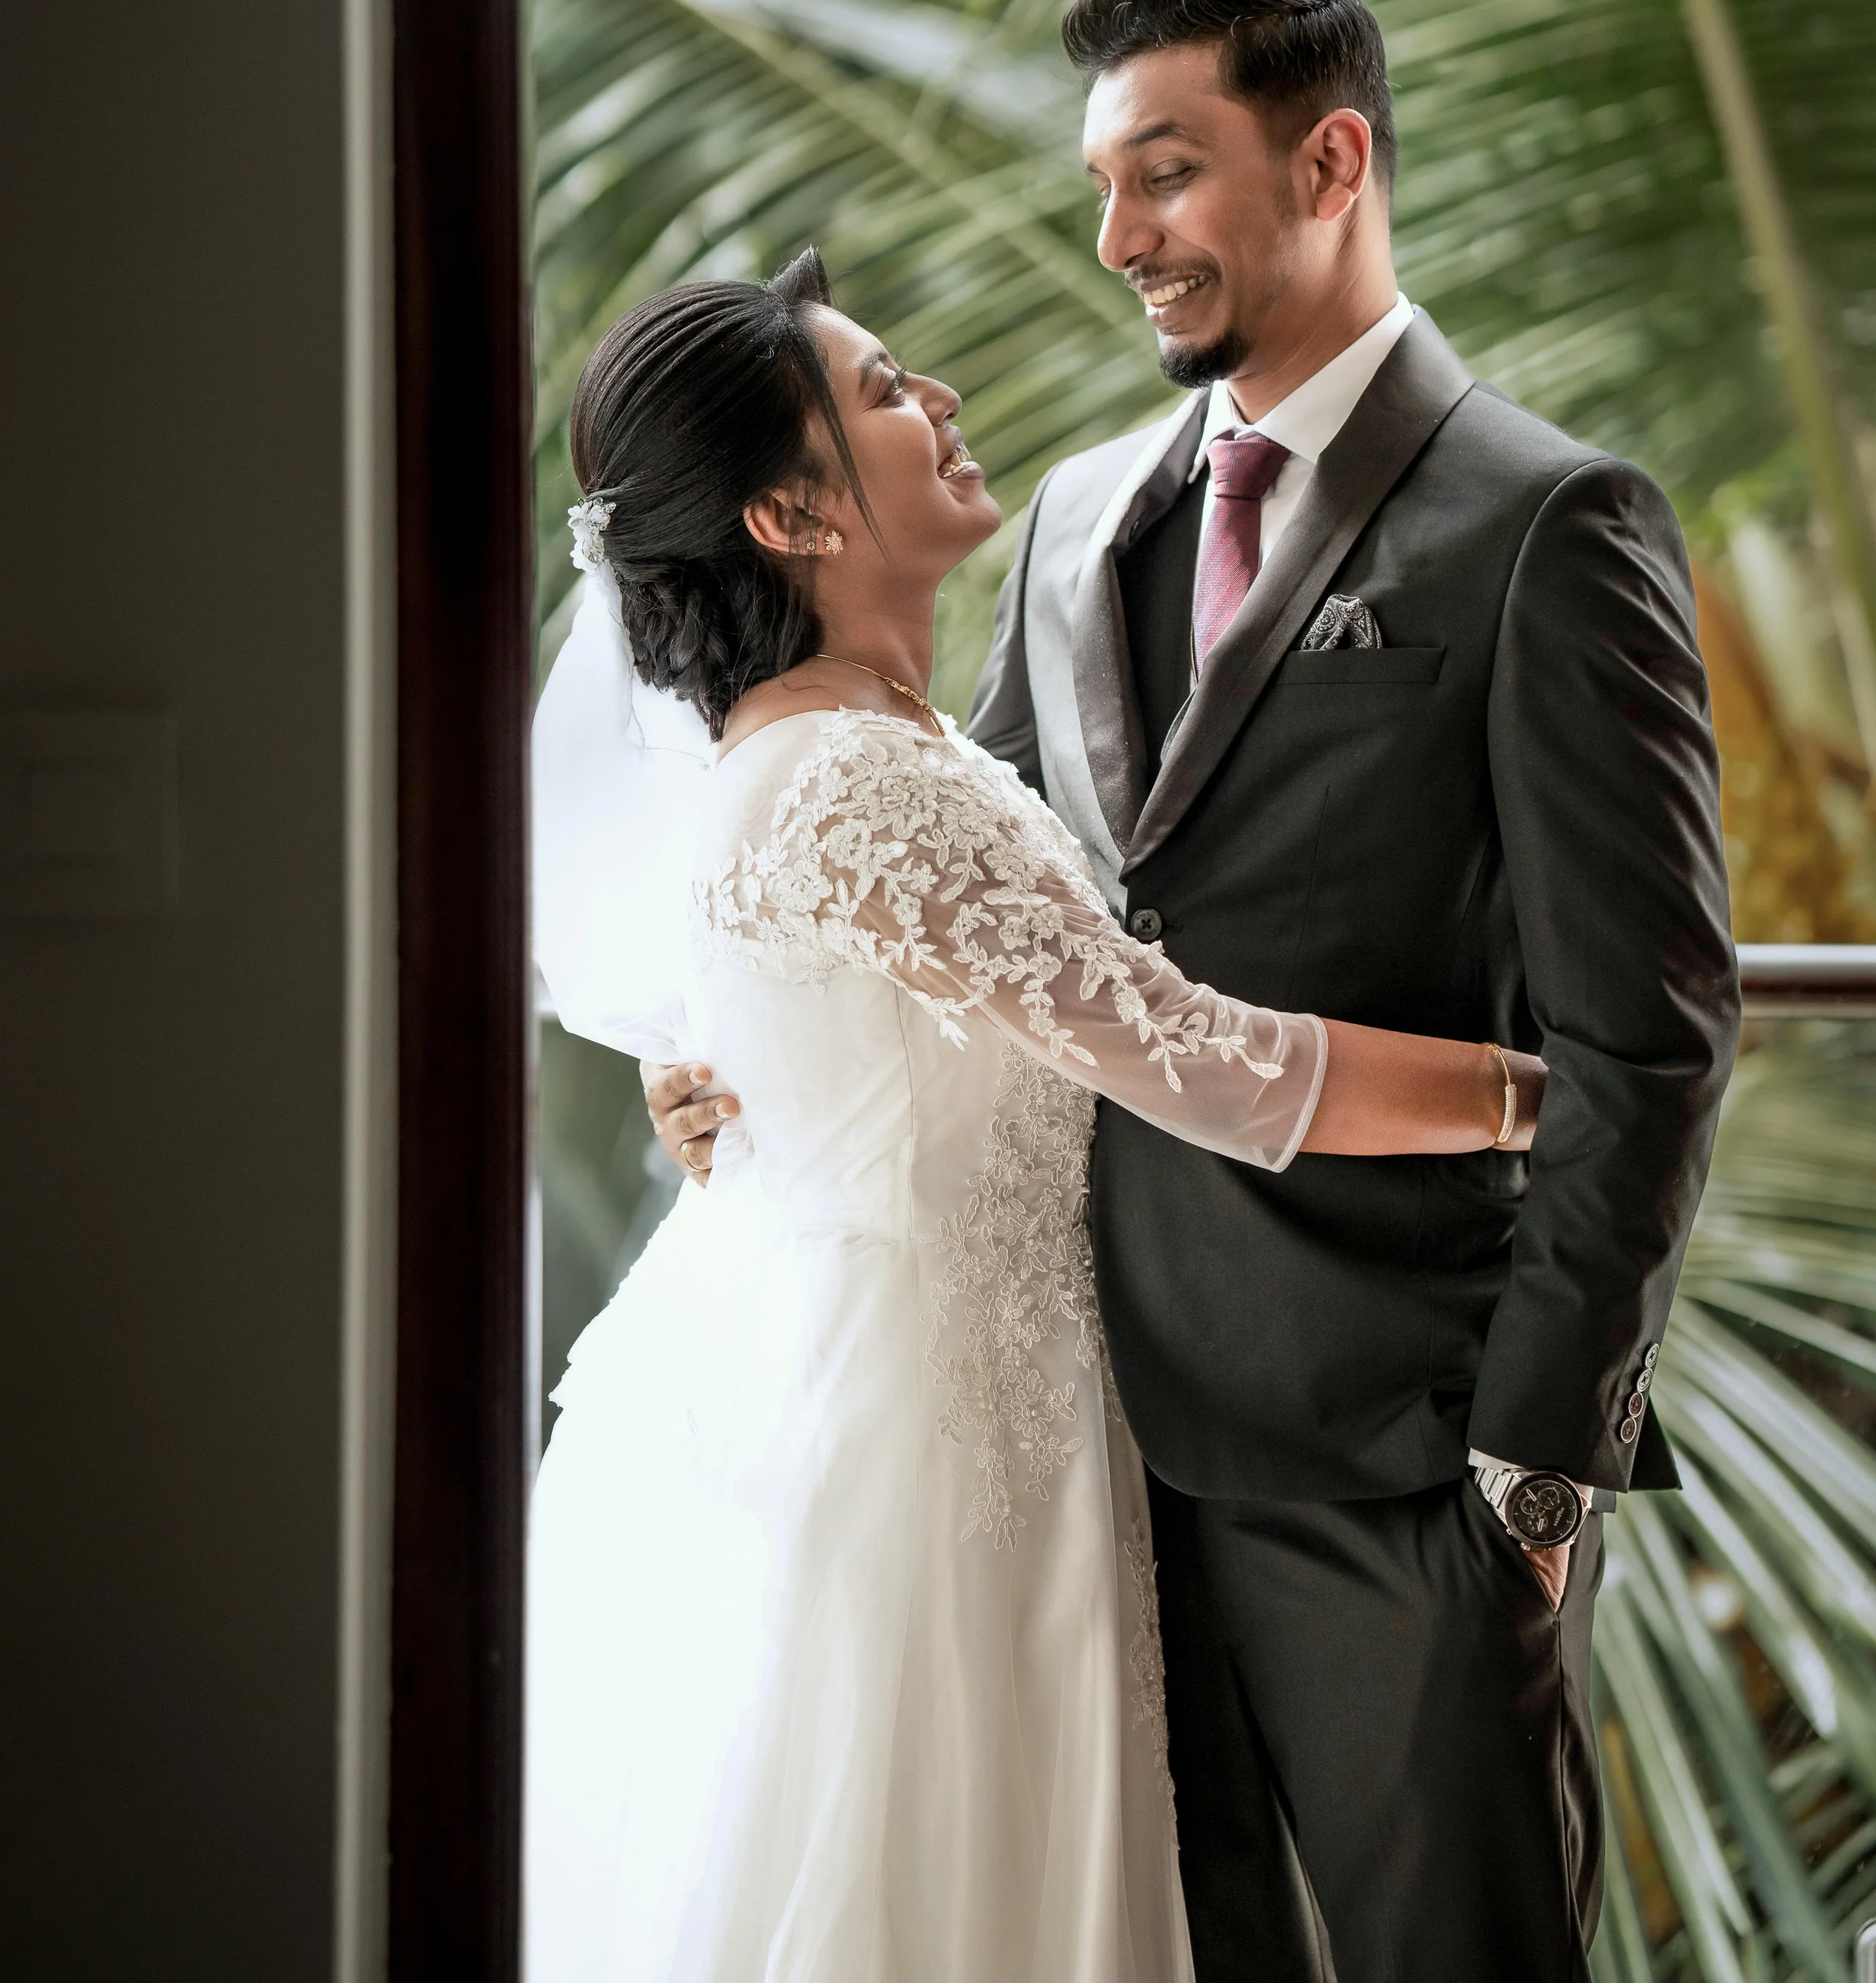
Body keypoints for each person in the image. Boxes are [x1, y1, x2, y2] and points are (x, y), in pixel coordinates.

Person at [647, 0, 1739, 1983]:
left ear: (1324, 160)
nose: (1115, 234)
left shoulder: (1545, 523)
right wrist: (747, 1058)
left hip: (1401, 1452)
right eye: (1097, 183)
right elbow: (970, 881)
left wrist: (1532, 1449)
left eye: (1162, 171)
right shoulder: (1064, 519)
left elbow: (1649, 1030)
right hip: (1075, 1460)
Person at [527, 250, 1548, 1983]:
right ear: (789, 518)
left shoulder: (882, 745)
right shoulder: (848, 781)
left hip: (968, 1392)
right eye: (878, 392)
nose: (932, 401)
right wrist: (1540, 1092)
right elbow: (1200, 1057)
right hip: (925, 1437)